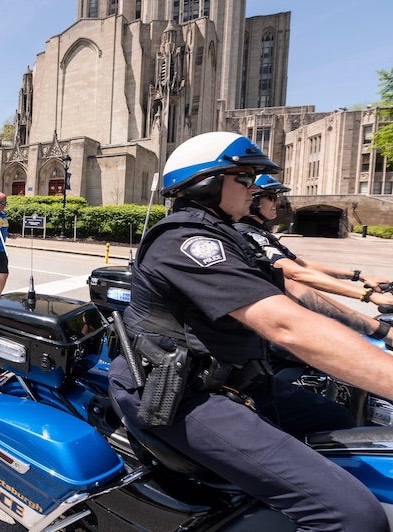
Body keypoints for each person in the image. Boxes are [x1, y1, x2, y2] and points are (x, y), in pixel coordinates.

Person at [109, 131, 391, 530]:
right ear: (205, 183)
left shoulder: (235, 237)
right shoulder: (186, 242)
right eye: (244, 177)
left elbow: (295, 290)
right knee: (354, 518)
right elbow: (285, 325)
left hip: (239, 380)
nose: (254, 187)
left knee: (341, 423)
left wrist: (379, 330)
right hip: (179, 393)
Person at [235, 174, 393, 306]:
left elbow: (302, 264)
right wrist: (368, 295)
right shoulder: (246, 232)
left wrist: (359, 276)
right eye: (271, 197)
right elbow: (297, 273)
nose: (276, 202)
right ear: (254, 201)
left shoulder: (260, 231)